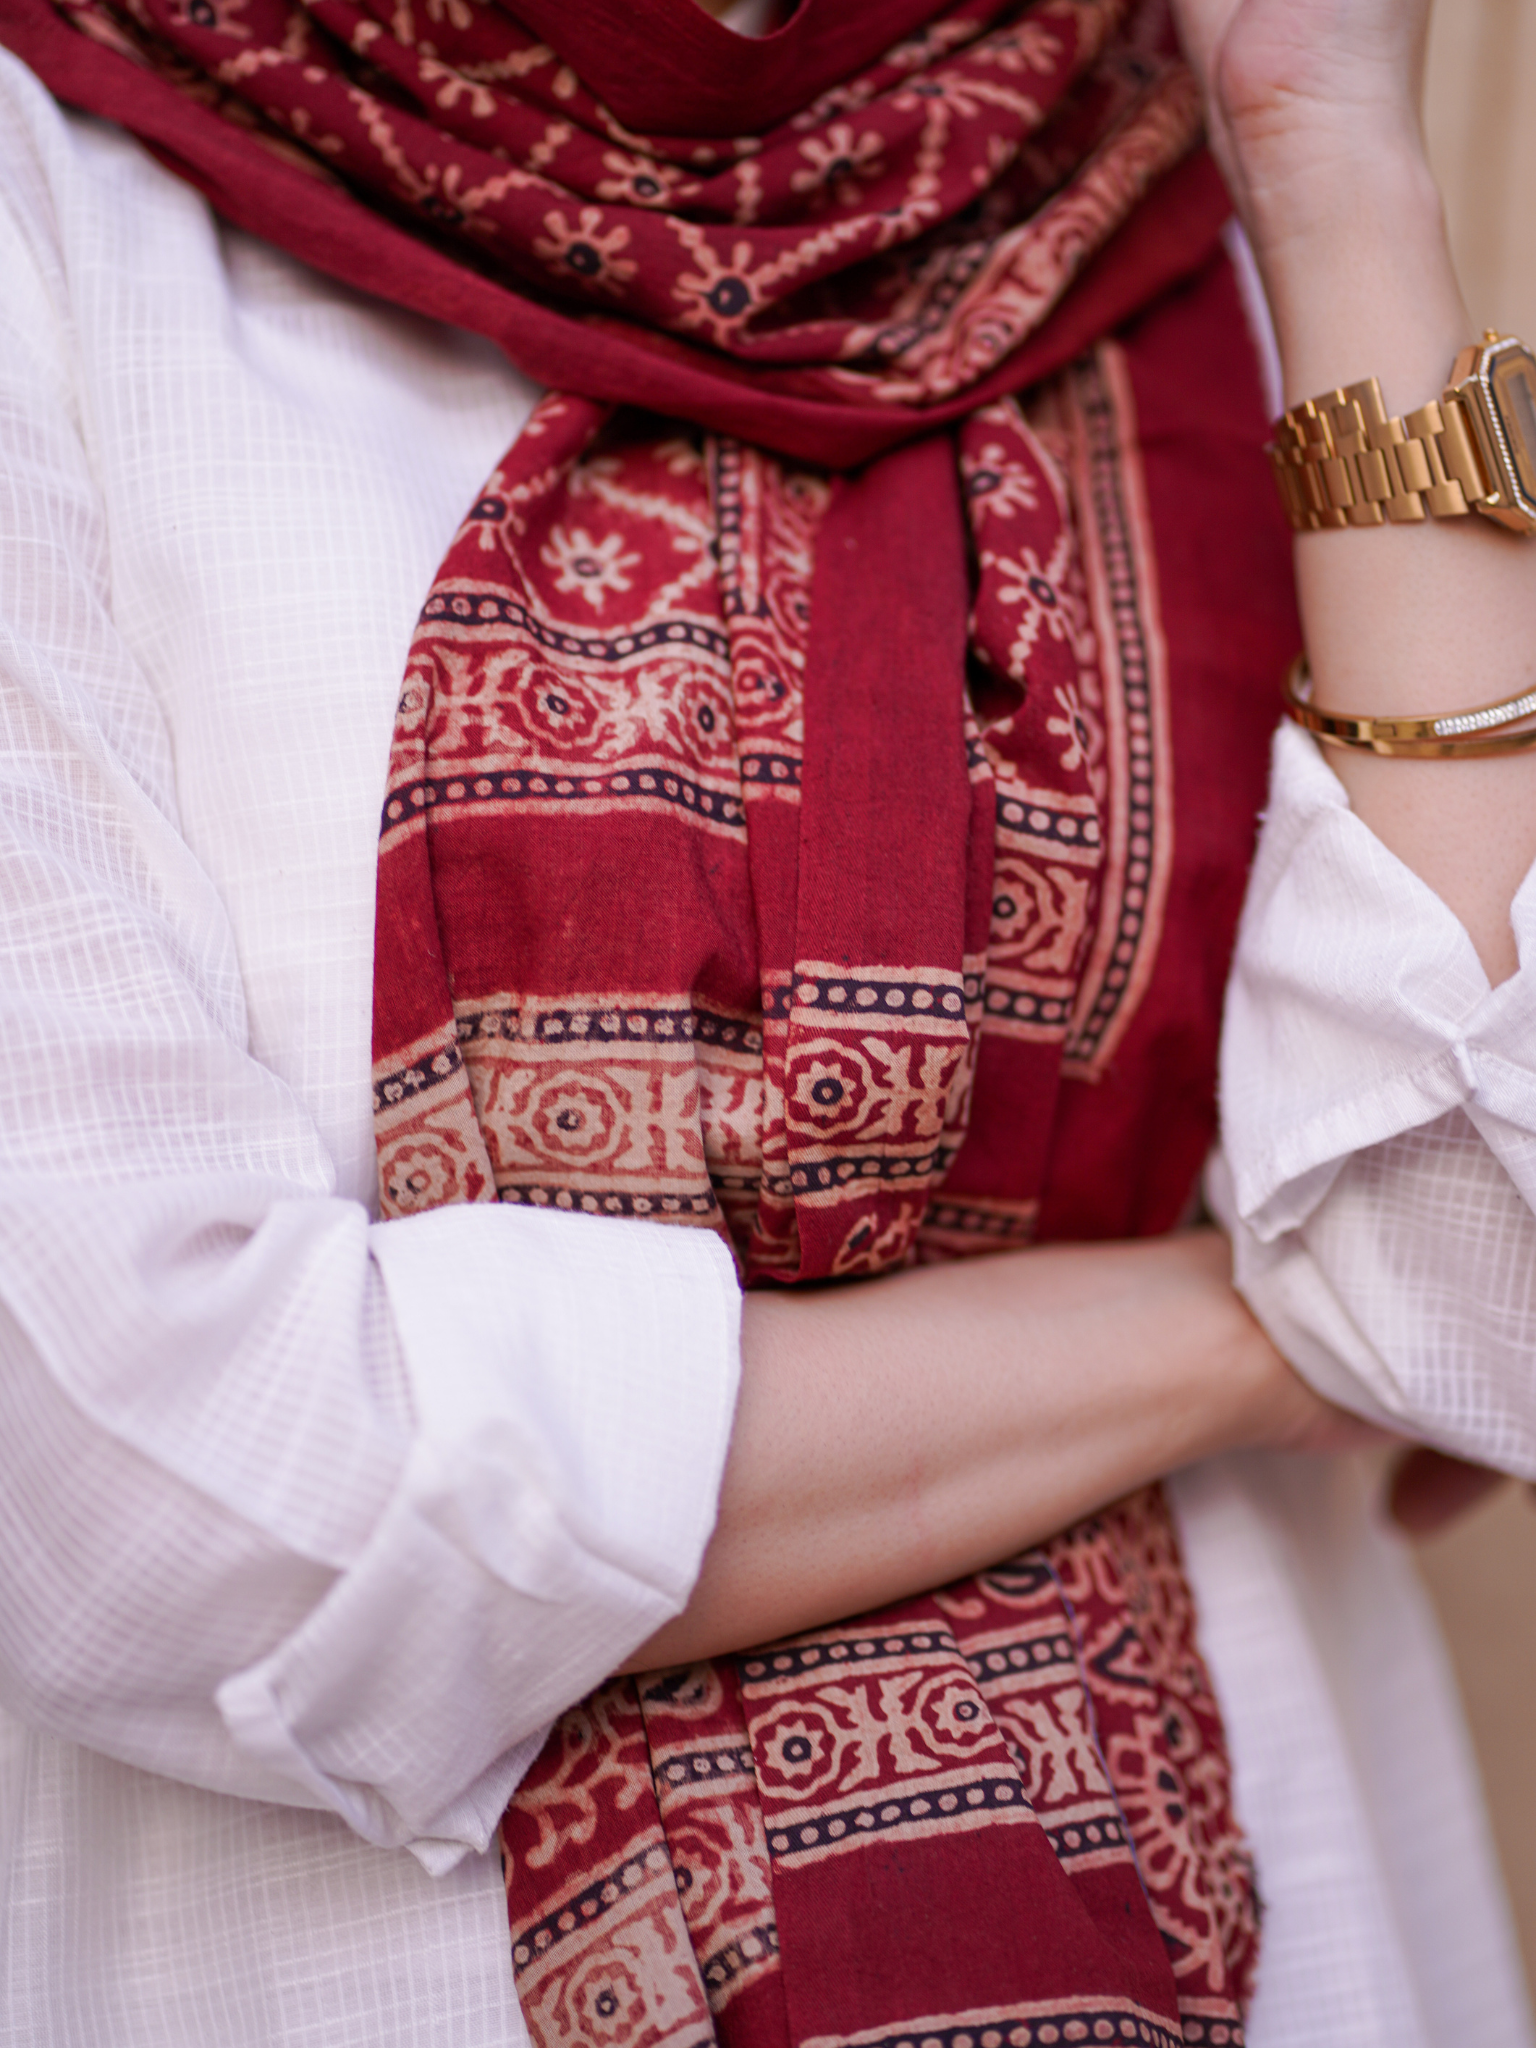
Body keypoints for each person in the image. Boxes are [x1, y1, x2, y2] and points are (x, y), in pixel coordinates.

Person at [0, 0, 1531, 2044]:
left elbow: (1484, 1257)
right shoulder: (54, 181)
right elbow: (174, 1512)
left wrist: (1333, 157)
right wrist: (1268, 1334)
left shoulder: (1159, 191)